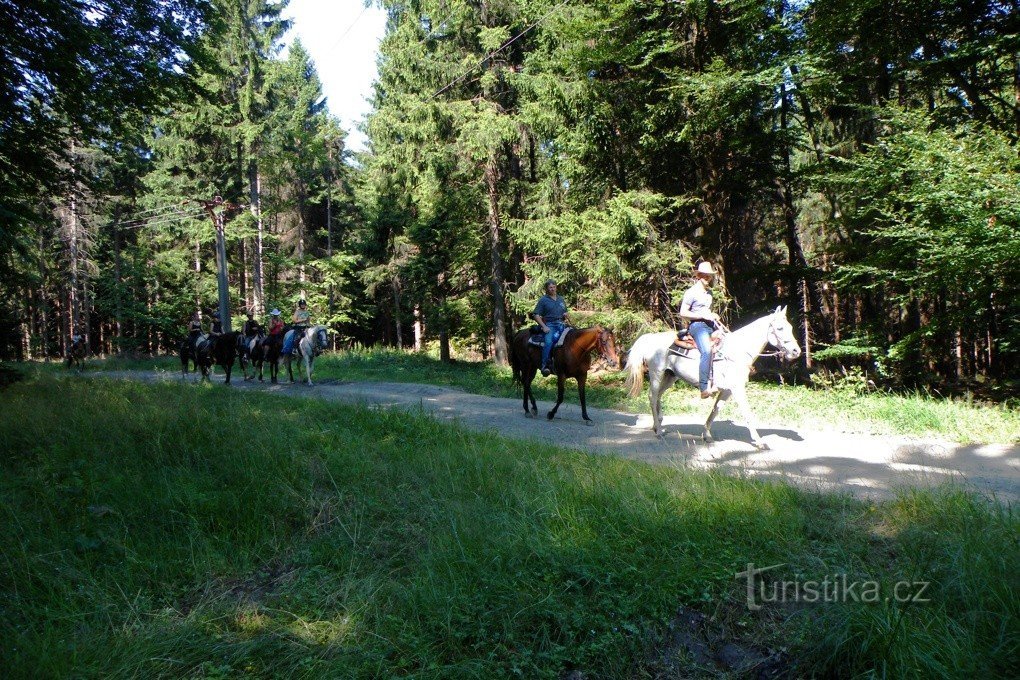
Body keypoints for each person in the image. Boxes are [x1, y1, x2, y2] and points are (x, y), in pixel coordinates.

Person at [676, 261, 722, 398]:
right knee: (707, 350)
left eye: (709, 276)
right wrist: (701, 315)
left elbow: (708, 311)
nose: (708, 278)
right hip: (697, 326)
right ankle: (703, 387)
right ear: (699, 276)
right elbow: (683, 312)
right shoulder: (691, 292)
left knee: (726, 342)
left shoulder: (709, 293)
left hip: (710, 324)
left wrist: (713, 315)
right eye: (705, 276)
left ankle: (718, 380)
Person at [533, 279, 570, 376]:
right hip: (550, 324)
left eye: (554, 287)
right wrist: (544, 326)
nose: (552, 289)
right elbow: (536, 315)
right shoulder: (543, 300)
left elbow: (564, 312)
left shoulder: (561, 299)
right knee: (549, 342)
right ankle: (544, 366)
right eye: (550, 287)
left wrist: (566, 314)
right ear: (546, 289)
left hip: (562, 324)